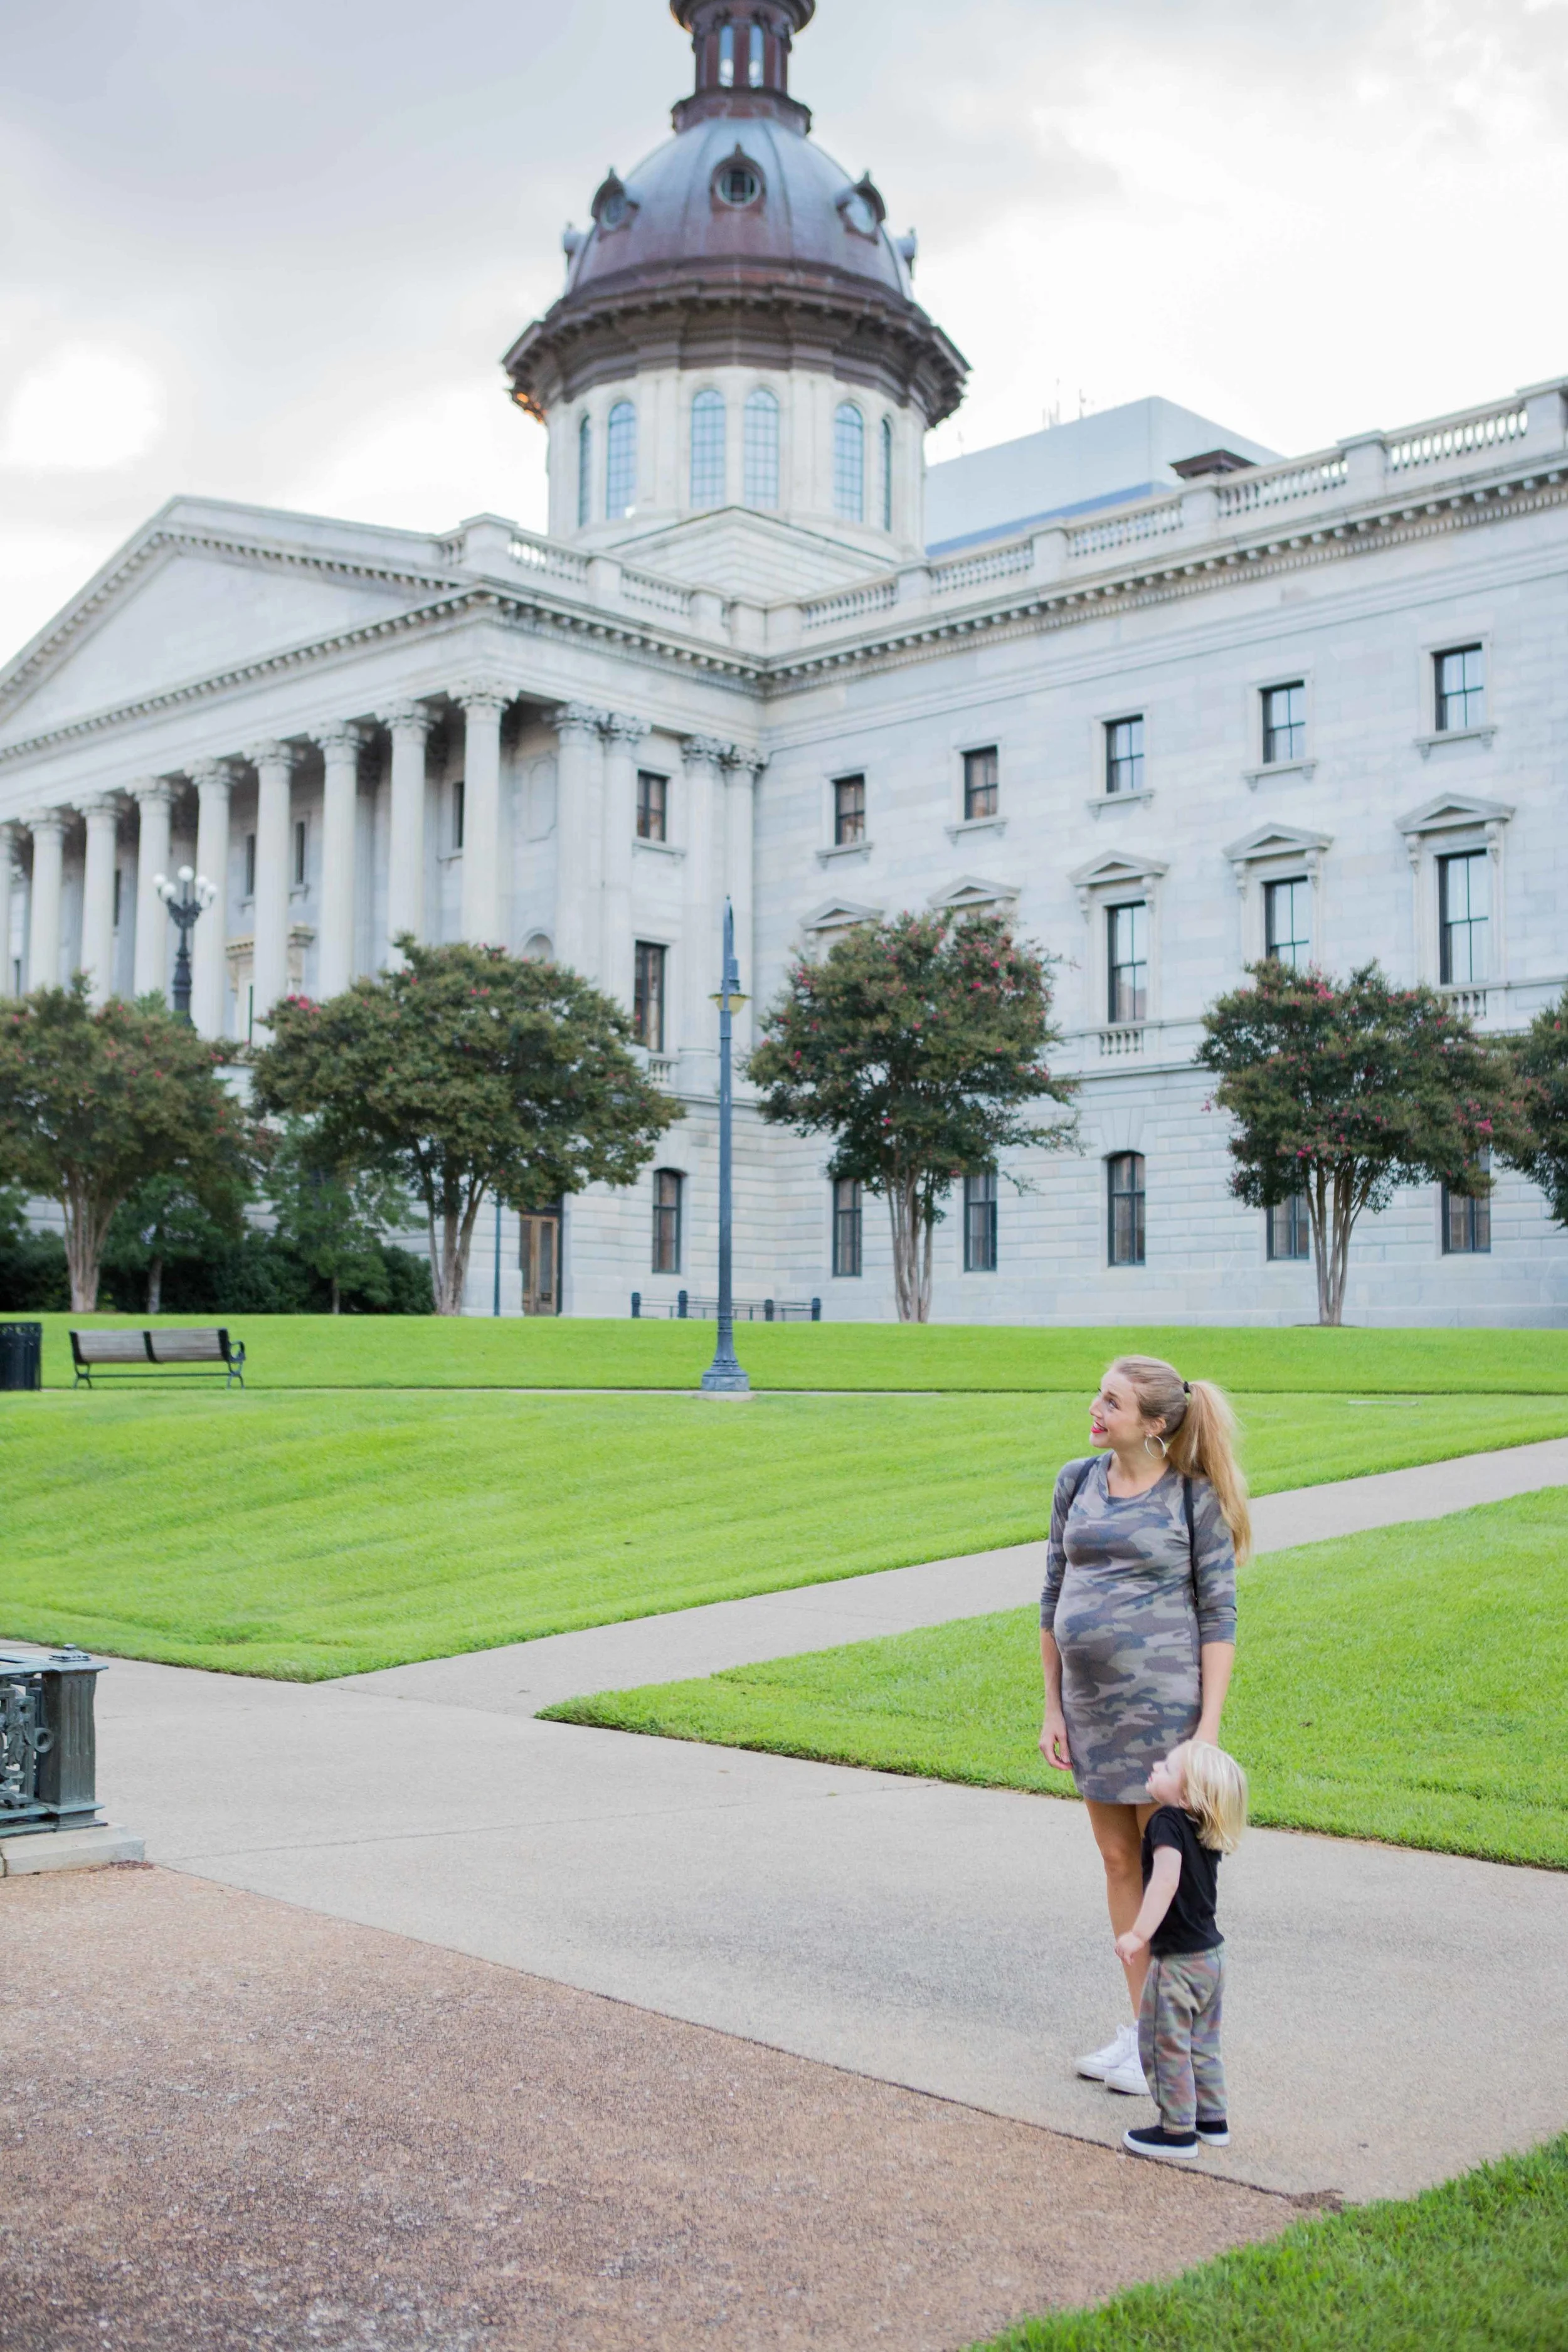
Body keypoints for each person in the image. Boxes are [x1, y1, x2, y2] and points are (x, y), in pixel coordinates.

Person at [1038, 1355, 1250, 2097]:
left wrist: (1207, 1728)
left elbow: (1219, 1614)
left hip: (1163, 1714)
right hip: (1092, 1712)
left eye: (1112, 1402)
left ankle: (1163, 2040)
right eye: (1097, 1393)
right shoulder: (1076, 1481)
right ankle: (1139, 2031)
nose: (1094, 1408)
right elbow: (1051, 1596)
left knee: (1166, 1868)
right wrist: (1052, 1704)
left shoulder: (1191, 1499)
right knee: (1116, 1862)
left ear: (1154, 1424)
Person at [1113, 1738, 1248, 2163]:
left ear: (1187, 1795)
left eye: (1168, 1769)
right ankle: (1212, 2121)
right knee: (1203, 2044)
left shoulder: (1166, 1822)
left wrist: (1138, 1934)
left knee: (1163, 2044)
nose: (1156, 1766)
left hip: (1178, 1965)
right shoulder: (1203, 1828)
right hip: (1212, 1959)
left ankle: (1176, 2131)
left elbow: (1166, 1880)